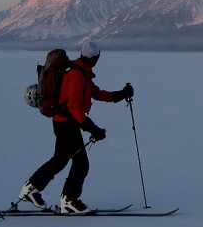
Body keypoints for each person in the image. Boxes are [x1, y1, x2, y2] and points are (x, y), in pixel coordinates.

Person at [19, 41, 134, 214]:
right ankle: (69, 200)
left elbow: (96, 93)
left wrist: (121, 93)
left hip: (65, 122)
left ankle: (31, 188)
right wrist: (92, 128)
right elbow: (74, 106)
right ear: (96, 58)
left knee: (60, 160)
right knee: (81, 163)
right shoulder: (77, 75)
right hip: (66, 123)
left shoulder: (83, 71)